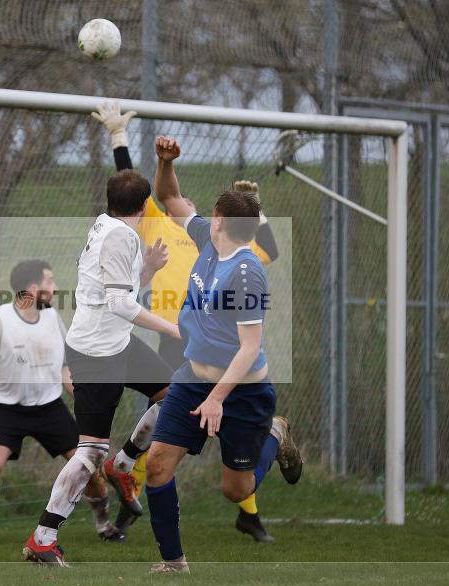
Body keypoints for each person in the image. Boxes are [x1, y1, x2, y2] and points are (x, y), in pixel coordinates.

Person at [91, 101, 301, 543]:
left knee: (233, 483)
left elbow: (269, 252)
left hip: (234, 370)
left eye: (203, 207)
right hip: (182, 345)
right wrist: (139, 149)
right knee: (166, 432)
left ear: (222, 222)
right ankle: (144, 502)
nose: (189, 204)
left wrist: (256, 208)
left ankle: (259, 466)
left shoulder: (243, 263)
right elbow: (151, 193)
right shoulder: (183, 229)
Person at [22, 169, 180, 566]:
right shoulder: (121, 236)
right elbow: (122, 305)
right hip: (96, 353)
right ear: (145, 205)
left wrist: (149, 271)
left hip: (117, 343)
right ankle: (43, 536)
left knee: (172, 394)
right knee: (90, 452)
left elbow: (117, 290)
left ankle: (125, 463)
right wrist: (174, 329)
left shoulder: (106, 224)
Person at [143, 135, 285, 573]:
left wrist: (218, 398)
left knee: (236, 490)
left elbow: (250, 348)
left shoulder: (246, 273)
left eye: (211, 212)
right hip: (192, 379)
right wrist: (164, 161)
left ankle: (274, 434)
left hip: (241, 392)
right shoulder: (208, 237)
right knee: (157, 467)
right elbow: (167, 196)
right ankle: (174, 564)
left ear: (220, 220)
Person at [0, 260, 120, 542]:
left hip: (50, 409)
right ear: (33, 288)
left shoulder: (51, 318)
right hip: (7, 410)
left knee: (89, 468)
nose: (55, 288)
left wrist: (83, 394)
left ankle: (105, 526)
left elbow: (62, 367)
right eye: (50, 282)